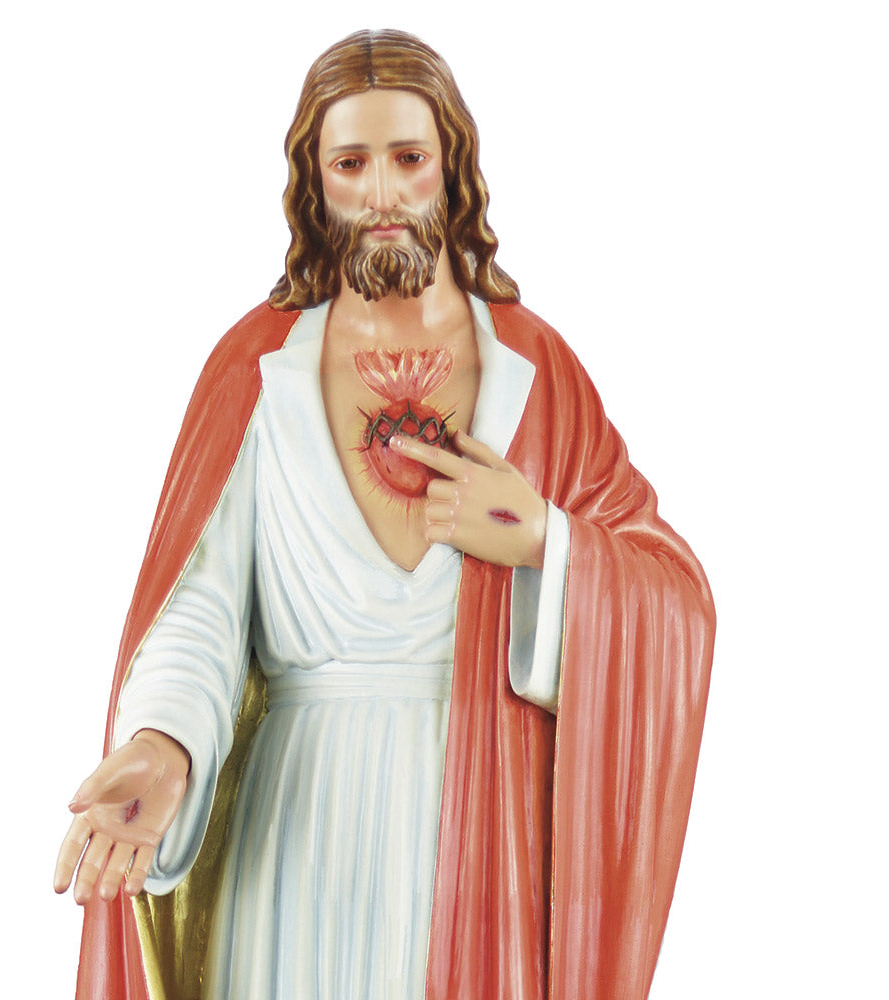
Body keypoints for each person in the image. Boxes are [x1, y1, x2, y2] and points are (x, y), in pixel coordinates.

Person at [54, 29, 714, 1000]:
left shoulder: (535, 374)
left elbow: (673, 598)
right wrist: (163, 745)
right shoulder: (256, 371)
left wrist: (548, 539)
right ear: (312, 181)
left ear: (452, 166)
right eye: (350, 163)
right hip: (295, 834)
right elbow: (198, 609)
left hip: (480, 841)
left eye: (408, 158)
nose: (382, 195)